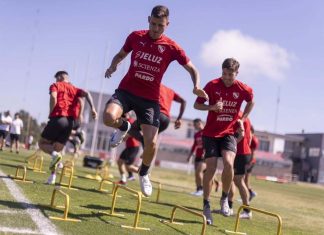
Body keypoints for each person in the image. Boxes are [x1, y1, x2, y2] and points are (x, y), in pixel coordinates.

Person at [103, 5, 207, 197]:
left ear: (167, 24)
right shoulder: (136, 36)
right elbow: (121, 54)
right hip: (126, 91)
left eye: (161, 25)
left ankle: (144, 173)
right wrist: (113, 66)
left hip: (149, 100)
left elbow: (192, 69)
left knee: (151, 143)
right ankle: (123, 125)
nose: (156, 28)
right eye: (153, 24)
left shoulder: (171, 47)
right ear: (148, 19)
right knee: (108, 117)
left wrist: (196, 86)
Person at [194, 58, 254, 224]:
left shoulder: (243, 88)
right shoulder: (212, 85)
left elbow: (251, 101)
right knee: (211, 167)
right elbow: (197, 105)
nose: (227, 77)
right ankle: (206, 203)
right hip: (211, 134)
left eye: (230, 74)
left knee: (228, 163)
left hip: (228, 133)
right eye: (224, 74)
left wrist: (243, 118)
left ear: (237, 73)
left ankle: (224, 199)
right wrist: (211, 107)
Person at [39, 71, 97, 184]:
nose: (56, 80)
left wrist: (51, 112)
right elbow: (87, 94)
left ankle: (55, 157)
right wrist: (93, 108)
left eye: (56, 78)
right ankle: (52, 177)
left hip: (58, 118)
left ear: (60, 77)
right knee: (56, 152)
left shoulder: (56, 85)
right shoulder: (75, 89)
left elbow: (53, 97)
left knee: (42, 143)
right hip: (70, 123)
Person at [228, 113, 253, 219]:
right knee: (232, 178)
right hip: (243, 152)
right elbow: (250, 135)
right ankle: (228, 206)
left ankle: (247, 211)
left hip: (241, 153)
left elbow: (241, 135)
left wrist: (231, 145)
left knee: (238, 180)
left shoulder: (238, 116)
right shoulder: (244, 116)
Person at [117, 114, 141, 185]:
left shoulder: (131, 122)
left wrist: (126, 136)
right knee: (120, 162)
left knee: (128, 166)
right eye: (122, 116)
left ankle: (144, 173)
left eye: (125, 115)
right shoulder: (125, 123)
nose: (123, 117)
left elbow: (134, 132)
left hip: (134, 147)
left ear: (128, 115)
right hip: (128, 147)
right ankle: (123, 180)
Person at [187, 118, 205, 196]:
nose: (194, 126)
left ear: (199, 123)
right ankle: (198, 190)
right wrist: (190, 155)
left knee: (199, 172)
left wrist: (205, 152)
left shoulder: (206, 132)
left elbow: (208, 144)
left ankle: (202, 190)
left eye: (195, 125)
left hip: (205, 157)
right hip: (197, 156)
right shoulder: (196, 134)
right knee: (197, 174)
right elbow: (194, 145)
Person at [245, 125, 258, 201]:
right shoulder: (248, 138)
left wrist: (249, 163)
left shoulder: (254, 140)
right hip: (247, 161)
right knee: (244, 180)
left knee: (244, 180)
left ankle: (249, 194)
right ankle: (250, 193)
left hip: (250, 162)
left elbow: (253, 153)